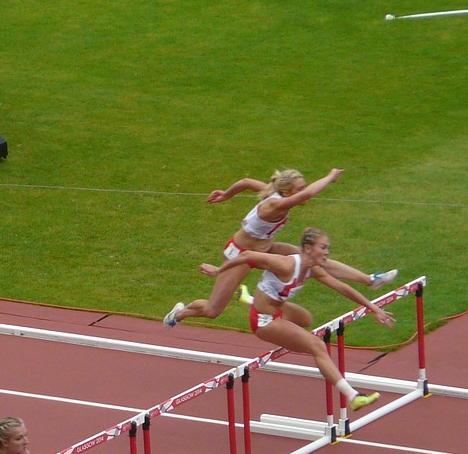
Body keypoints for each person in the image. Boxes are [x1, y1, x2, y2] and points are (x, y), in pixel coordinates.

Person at [165, 168, 397, 328]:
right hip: (241, 253)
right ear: (286, 192)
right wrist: (330, 176)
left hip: (266, 249)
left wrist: (226, 195)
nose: (303, 192)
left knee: (313, 258)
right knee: (213, 311)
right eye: (298, 189)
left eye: (303, 186)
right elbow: (308, 194)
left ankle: (370, 280)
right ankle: (179, 313)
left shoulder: (274, 193)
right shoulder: (275, 204)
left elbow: (246, 183)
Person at [201, 228, 394, 411]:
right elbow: (246, 256)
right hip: (263, 321)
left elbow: (342, 288)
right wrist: (219, 271)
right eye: (323, 247)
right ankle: (353, 396)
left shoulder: (312, 270)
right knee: (316, 346)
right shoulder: (286, 265)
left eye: (328, 248)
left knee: (307, 319)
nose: (327, 253)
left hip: (277, 309)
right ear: (309, 249)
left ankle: (249, 299)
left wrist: (374, 308)